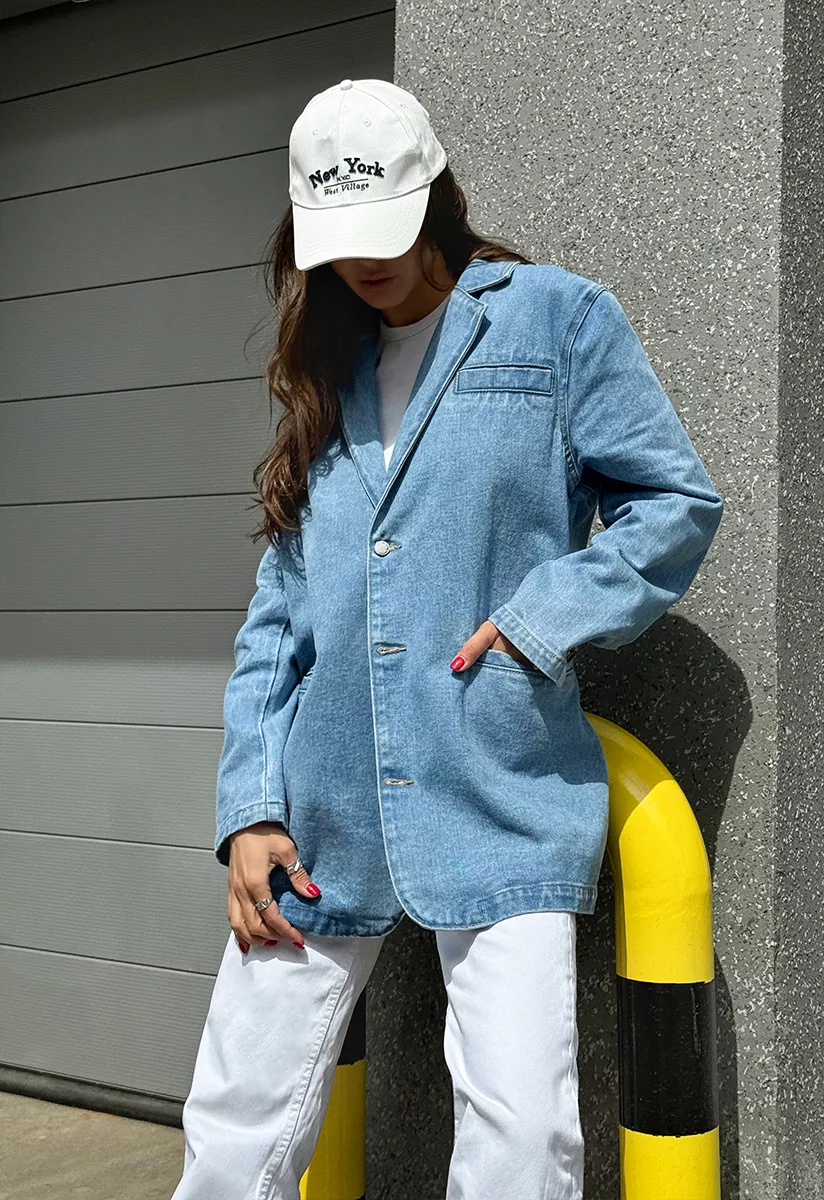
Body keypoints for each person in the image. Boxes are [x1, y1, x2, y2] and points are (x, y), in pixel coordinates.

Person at [171, 77, 725, 1200]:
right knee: (234, 1123)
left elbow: (674, 503)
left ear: (435, 194)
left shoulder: (555, 319)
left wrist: (536, 623)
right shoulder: (328, 369)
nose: (362, 262)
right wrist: (250, 806)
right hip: (319, 810)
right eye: (336, 241)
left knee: (522, 1140)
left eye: (383, 228)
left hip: (500, 788)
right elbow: (279, 614)